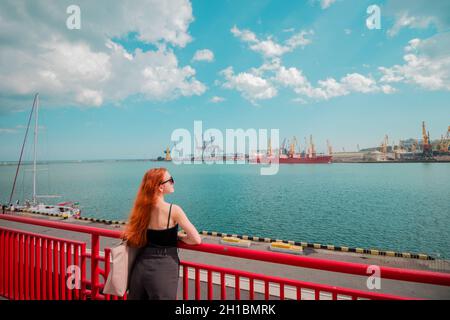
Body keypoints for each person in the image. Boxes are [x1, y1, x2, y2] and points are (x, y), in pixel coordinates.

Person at [123, 167, 201, 300]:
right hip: (163, 267)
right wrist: (179, 237)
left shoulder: (141, 209)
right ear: (160, 187)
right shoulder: (173, 210)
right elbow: (196, 239)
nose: (173, 183)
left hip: (140, 266)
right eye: (170, 180)